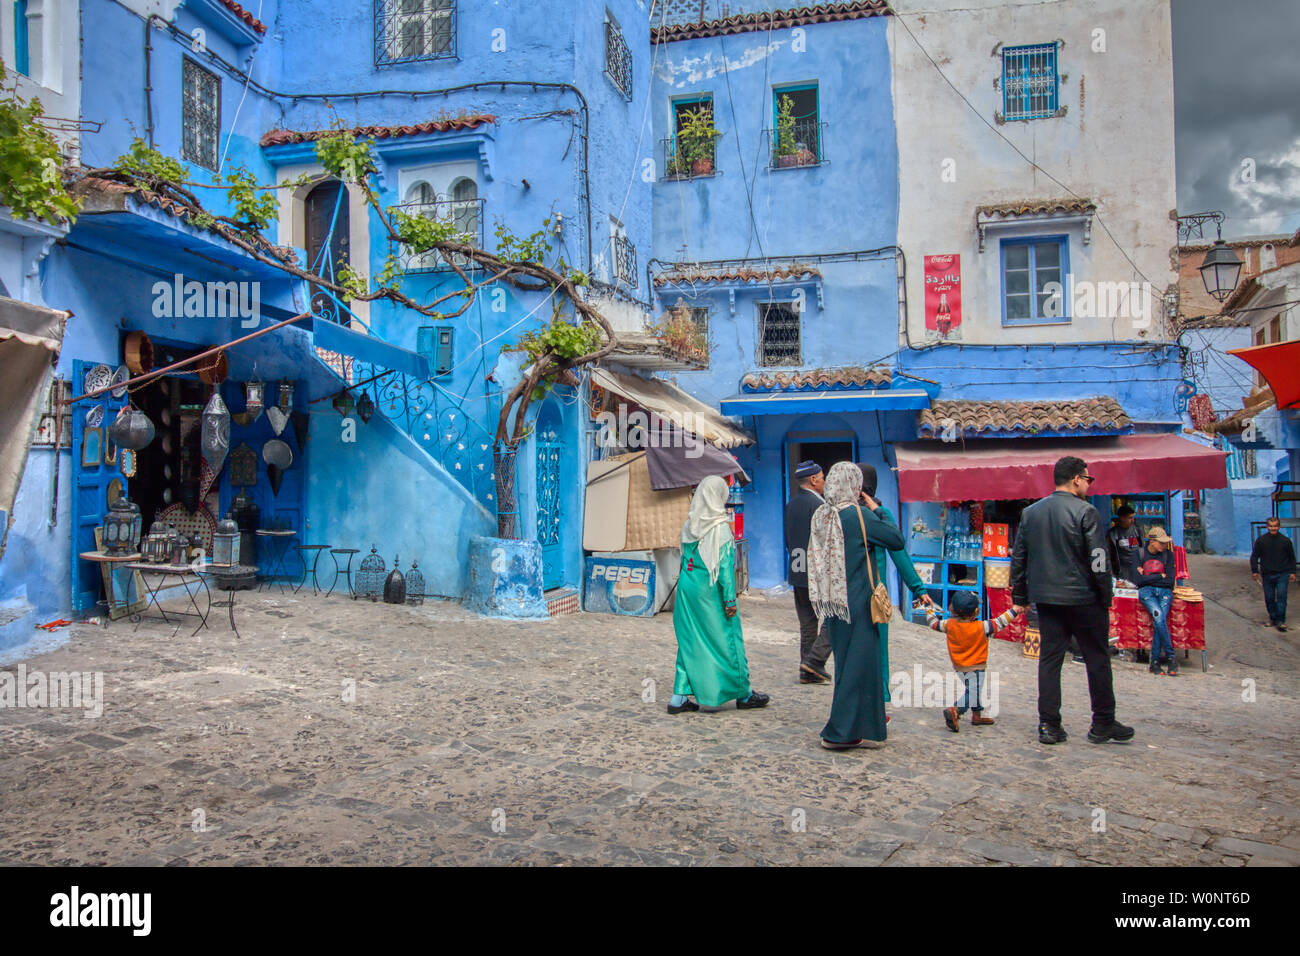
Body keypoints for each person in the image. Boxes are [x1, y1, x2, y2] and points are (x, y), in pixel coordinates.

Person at [1011, 456, 1134, 746]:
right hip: (1084, 599)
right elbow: (1099, 560)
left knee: (1050, 661)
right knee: (1097, 659)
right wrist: (1106, 595)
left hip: (1048, 600)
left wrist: (1020, 596)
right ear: (1077, 479)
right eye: (1088, 479)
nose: (1090, 484)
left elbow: (1019, 558)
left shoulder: (1031, 513)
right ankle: (1102, 721)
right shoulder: (1086, 512)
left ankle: (1049, 725)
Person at [806, 462, 905, 750]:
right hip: (860, 603)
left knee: (850, 666)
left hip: (835, 605)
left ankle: (861, 725)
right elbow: (895, 539)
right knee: (858, 668)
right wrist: (877, 508)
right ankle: (839, 732)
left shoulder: (822, 515)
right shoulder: (858, 516)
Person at [668, 475, 770, 714]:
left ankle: (679, 696)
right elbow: (724, 570)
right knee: (728, 639)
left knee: (690, 640)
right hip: (709, 592)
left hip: (686, 588)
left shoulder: (690, 524)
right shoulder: (720, 528)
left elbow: (684, 558)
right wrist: (730, 600)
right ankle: (743, 693)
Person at [857, 462, 934, 715]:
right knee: (878, 649)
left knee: (855, 650)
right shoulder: (879, 515)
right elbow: (899, 553)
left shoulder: (846, 513)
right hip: (876, 595)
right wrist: (918, 587)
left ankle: (859, 705)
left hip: (852, 592)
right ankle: (877, 705)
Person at [926, 590, 1017, 732]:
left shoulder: (948, 625)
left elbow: (933, 623)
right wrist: (1015, 610)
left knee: (973, 689)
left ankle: (977, 714)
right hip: (977, 667)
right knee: (973, 692)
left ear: (952, 609)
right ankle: (956, 710)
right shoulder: (982, 627)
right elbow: (1001, 622)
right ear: (975, 612)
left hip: (959, 667)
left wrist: (929, 608)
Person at [785, 460, 832, 684]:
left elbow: (788, 540)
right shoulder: (821, 506)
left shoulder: (791, 504)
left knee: (807, 622)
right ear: (813, 480)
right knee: (834, 615)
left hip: (797, 570)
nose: (824, 482)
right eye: (822, 478)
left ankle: (807, 671)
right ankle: (815, 660)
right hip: (817, 572)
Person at [1134, 526, 1177, 675]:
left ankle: (1155, 661)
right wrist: (1159, 576)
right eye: (1161, 543)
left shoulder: (1168, 555)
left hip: (1165, 592)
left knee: (1159, 620)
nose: (1164, 546)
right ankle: (1171, 657)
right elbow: (1138, 581)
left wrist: (1148, 578)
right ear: (1151, 542)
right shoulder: (1139, 554)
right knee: (1159, 616)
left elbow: (1171, 581)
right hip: (1146, 592)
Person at [1251, 517, 1298, 633]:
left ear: (1279, 527)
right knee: (1269, 598)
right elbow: (1254, 556)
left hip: (1283, 574)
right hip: (1267, 574)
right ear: (1267, 527)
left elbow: (1292, 558)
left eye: (1275, 526)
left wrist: (1292, 572)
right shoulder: (1261, 541)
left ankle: (1281, 621)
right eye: (1271, 526)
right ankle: (1273, 618)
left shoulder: (1285, 541)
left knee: (1282, 597)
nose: (1273, 528)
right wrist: (1255, 571)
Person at [1107, 505, 1141, 583]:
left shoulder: (1138, 530)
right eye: (1130, 518)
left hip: (1137, 568)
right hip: (1121, 570)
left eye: (1133, 517)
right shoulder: (1113, 533)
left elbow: (1143, 547)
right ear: (1122, 518)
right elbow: (1109, 554)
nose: (1133, 520)